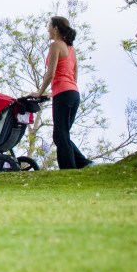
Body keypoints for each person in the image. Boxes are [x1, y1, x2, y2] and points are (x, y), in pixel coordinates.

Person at [35, 16, 92, 169]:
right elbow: (74, 74)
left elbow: (50, 73)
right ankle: (85, 164)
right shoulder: (71, 49)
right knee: (62, 135)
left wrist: (40, 92)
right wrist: (56, 91)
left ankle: (69, 169)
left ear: (56, 29)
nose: (47, 29)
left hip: (64, 93)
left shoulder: (55, 46)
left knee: (60, 135)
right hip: (73, 93)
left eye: (49, 26)